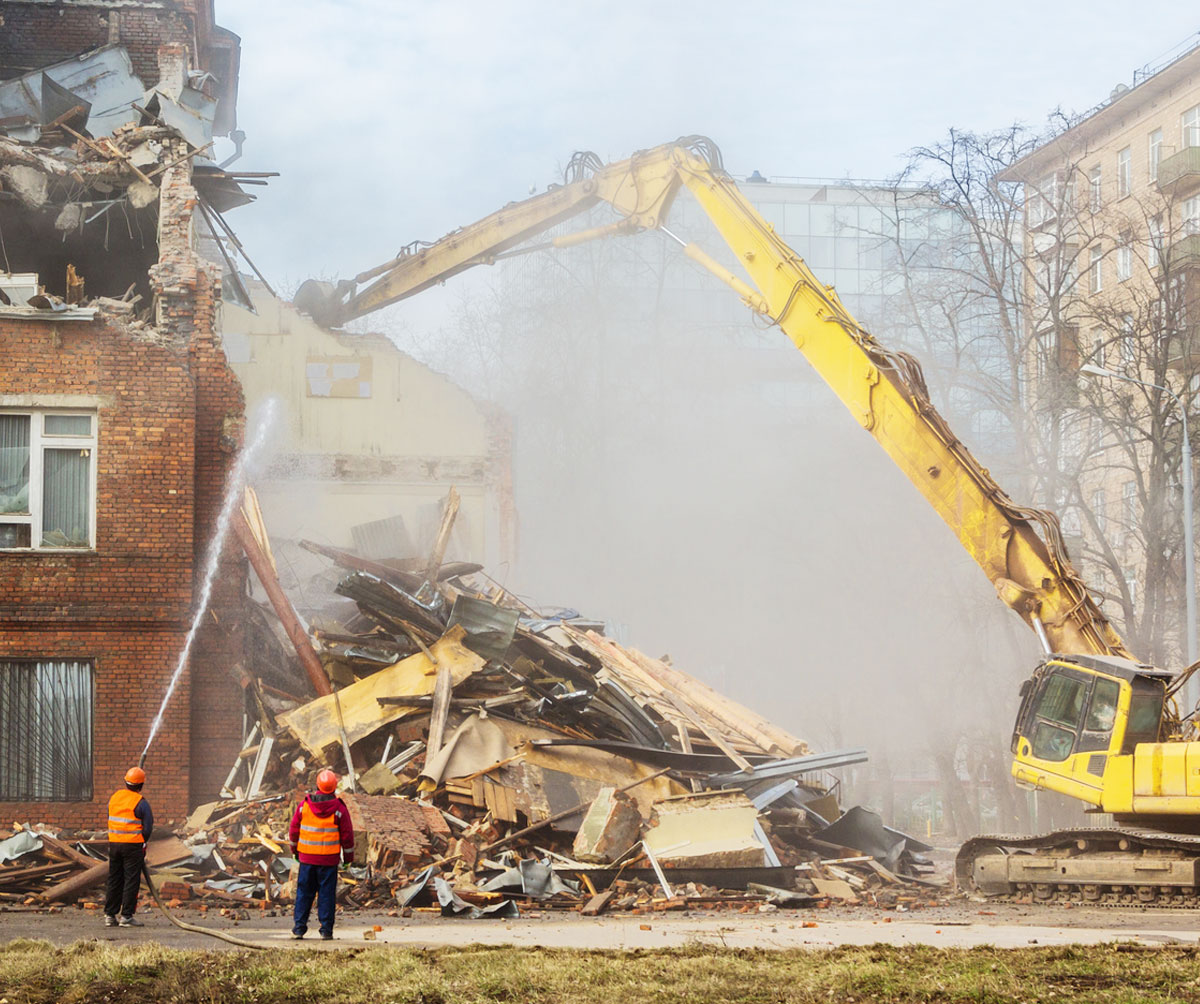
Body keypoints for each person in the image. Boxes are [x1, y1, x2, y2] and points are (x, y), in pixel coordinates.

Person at [288, 768, 354, 940]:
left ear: (317, 785)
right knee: (326, 895)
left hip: (307, 859)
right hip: (329, 861)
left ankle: (299, 928)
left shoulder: (304, 806)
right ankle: (326, 930)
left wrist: (294, 850)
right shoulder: (339, 808)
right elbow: (347, 836)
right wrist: (348, 859)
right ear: (334, 786)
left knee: (304, 893)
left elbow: (294, 830)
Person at [105, 766, 153, 928]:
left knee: (114, 879)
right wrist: (143, 842)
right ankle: (126, 916)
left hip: (114, 844)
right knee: (131, 880)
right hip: (132, 846)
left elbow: (110, 817)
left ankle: (110, 915)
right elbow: (148, 827)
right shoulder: (141, 802)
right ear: (141, 785)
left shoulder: (114, 798)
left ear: (126, 782)